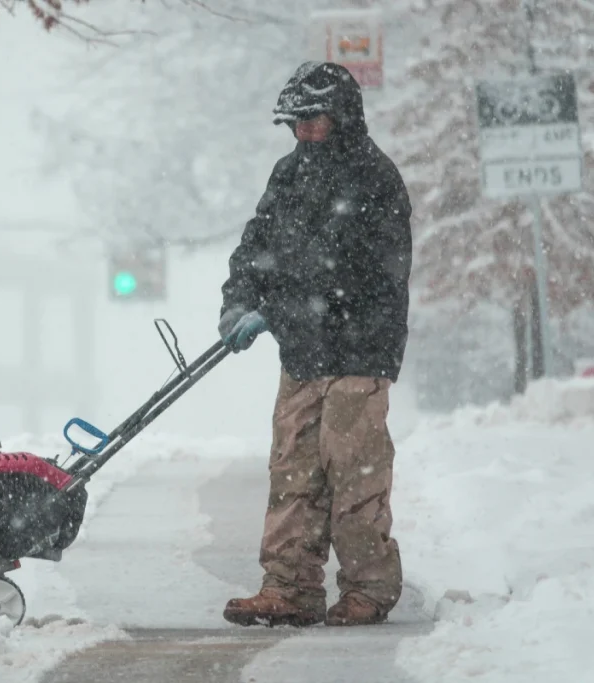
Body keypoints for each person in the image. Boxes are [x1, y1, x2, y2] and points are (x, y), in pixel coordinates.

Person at [218, 61, 412, 627]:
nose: (303, 133)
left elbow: (358, 273)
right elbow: (257, 247)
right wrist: (238, 299)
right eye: (296, 124)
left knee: (354, 470)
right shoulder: (288, 175)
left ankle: (369, 588)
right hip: (303, 350)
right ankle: (289, 586)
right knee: (294, 471)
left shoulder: (376, 180)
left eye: (314, 122)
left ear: (343, 118)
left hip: (360, 347)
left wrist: (274, 309)